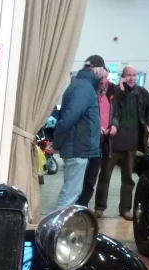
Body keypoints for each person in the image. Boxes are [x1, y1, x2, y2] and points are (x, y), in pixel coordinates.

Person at [94, 65, 149, 220]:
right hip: (113, 143)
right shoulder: (114, 91)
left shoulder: (142, 93)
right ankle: (100, 207)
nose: (132, 78)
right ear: (123, 76)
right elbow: (110, 108)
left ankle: (125, 209)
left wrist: (147, 125)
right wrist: (119, 90)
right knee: (105, 176)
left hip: (132, 144)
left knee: (128, 178)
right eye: (128, 75)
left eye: (134, 75)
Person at [52, 62, 105, 208]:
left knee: (72, 191)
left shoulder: (83, 85)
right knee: (70, 193)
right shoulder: (84, 87)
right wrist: (57, 141)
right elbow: (70, 117)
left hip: (79, 146)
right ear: (97, 70)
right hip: (78, 147)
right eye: (105, 74)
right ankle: (57, 229)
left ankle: (60, 227)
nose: (105, 79)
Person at [77, 56, 115, 208]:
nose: (104, 81)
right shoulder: (87, 91)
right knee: (78, 180)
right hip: (85, 143)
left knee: (91, 181)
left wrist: (114, 125)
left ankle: (83, 209)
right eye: (102, 78)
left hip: (101, 144)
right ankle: (73, 208)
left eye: (106, 78)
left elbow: (114, 114)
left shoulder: (108, 95)